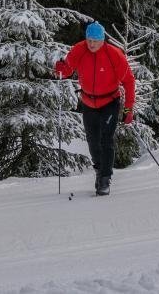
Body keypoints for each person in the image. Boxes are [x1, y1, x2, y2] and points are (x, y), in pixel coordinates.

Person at [53, 21, 136, 196]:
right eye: (89, 40)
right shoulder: (79, 49)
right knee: (92, 141)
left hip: (109, 102)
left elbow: (128, 81)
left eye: (95, 41)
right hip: (88, 102)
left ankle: (105, 178)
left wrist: (128, 109)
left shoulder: (114, 54)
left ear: (103, 40)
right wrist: (61, 69)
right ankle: (99, 170)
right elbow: (67, 70)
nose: (91, 44)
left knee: (106, 140)